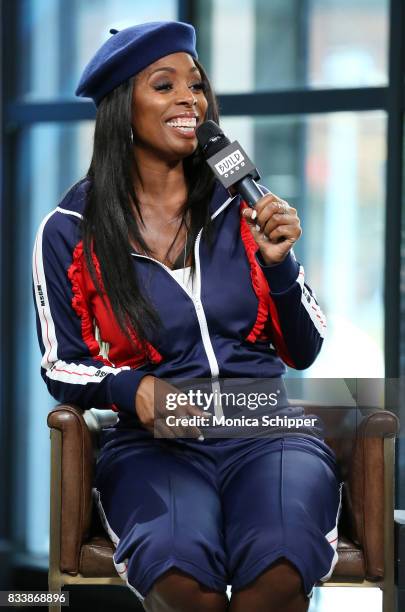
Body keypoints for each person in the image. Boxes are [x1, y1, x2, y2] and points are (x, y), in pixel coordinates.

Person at [33, 21, 343, 612]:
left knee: (277, 570)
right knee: (186, 586)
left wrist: (280, 266)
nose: (189, 101)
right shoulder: (68, 229)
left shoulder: (243, 205)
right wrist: (133, 388)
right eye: (165, 86)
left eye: (196, 87)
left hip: (267, 432)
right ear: (123, 107)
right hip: (155, 448)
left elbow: (305, 349)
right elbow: (60, 365)